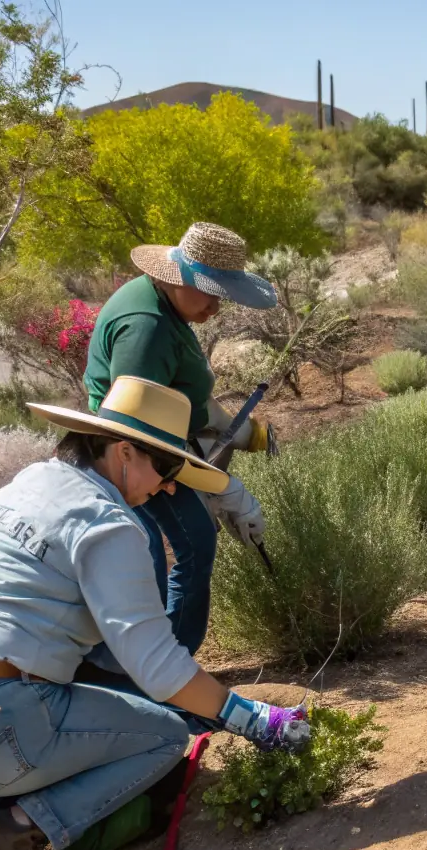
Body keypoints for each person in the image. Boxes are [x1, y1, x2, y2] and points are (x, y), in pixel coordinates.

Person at [0, 378, 311, 850]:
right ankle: (17, 833)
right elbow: (158, 666)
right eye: (165, 469)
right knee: (163, 735)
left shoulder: (32, 481)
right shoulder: (110, 524)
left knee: (97, 716)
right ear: (125, 451)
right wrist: (250, 718)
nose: (164, 487)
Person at [83, 222, 278, 656]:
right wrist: (225, 487)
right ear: (178, 277)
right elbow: (132, 430)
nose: (215, 308)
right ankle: (164, 662)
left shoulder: (163, 303)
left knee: (159, 544)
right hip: (132, 454)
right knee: (169, 545)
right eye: (209, 292)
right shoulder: (147, 327)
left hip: (152, 443)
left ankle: (155, 658)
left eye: (221, 295)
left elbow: (177, 395)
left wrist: (243, 434)